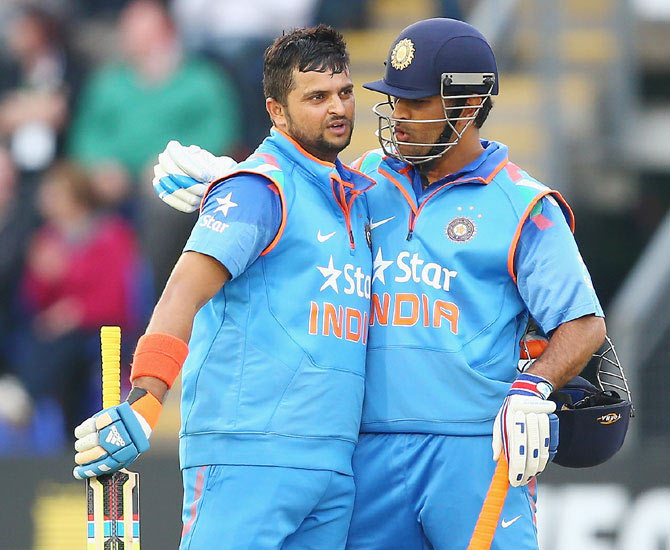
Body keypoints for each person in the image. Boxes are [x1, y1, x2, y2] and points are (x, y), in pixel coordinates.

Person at [152, 18, 607, 549]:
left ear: (464, 106)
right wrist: (232, 179)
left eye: (415, 103)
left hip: (473, 447)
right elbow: (298, 197)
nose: (399, 117)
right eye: (395, 100)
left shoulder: (526, 204)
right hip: (367, 453)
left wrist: (536, 385)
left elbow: (583, 324)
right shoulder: (369, 179)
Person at [73, 25, 376, 550]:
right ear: (276, 110)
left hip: (332, 463)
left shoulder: (353, 195)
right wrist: (146, 402)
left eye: (345, 93)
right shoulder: (258, 190)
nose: (338, 108)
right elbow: (180, 295)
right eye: (317, 97)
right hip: (248, 455)